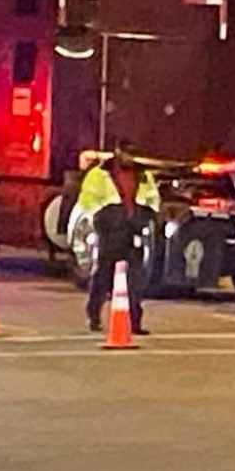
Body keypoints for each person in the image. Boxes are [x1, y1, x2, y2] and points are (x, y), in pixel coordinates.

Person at [76, 143, 161, 334]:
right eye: (127, 154)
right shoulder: (99, 173)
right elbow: (87, 201)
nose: (130, 159)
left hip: (133, 231)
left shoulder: (143, 175)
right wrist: (106, 217)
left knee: (135, 280)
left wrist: (144, 217)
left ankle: (135, 321)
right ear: (118, 152)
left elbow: (152, 199)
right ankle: (94, 316)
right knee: (103, 276)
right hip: (110, 231)